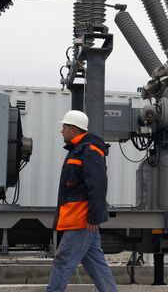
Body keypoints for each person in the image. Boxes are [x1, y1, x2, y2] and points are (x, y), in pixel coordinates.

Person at [46, 110, 118, 292]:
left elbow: (98, 185)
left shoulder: (89, 151)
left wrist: (94, 217)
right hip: (78, 218)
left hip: (81, 219)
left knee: (62, 259)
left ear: (73, 129)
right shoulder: (78, 150)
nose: (62, 131)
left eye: (64, 127)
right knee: (96, 263)